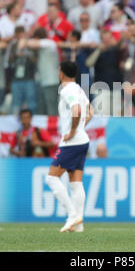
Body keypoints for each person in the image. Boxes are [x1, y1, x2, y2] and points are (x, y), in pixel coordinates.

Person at [45, 60, 93, 233]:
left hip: (72, 142)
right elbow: (91, 111)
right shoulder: (78, 88)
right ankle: (78, 224)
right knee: (75, 182)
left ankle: (72, 215)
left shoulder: (67, 90)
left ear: (61, 73)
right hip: (83, 140)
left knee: (51, 178)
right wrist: (80, 128)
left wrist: (73, 131)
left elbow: (77, 110)